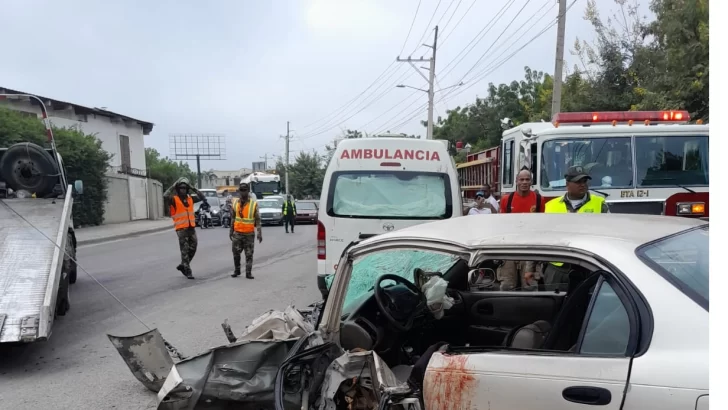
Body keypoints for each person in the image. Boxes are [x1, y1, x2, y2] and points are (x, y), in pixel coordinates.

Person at [541, 165, 609, 291]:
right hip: (557, 267)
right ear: (567, 184)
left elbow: (609, 234)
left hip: (588, 265)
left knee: (585, 306)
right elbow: (541, 236)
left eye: (584, 181)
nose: (582, 185)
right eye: (578, 182)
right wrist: (531, 268)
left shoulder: (599, 203)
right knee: (554, 305)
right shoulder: (551, 206)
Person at [497, 168, 543, 291]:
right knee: (507, 285)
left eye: (527, 179)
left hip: (530, 249)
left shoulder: (539, 200)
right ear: (516, 181)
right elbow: (500, 224)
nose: (524, 182)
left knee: (530, 286)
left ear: (531, 182)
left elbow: (542, 225)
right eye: (521, 179)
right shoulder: (507, 200)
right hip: (509, 248)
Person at [163, 177, 206, 279]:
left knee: (193, 248)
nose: (183, 189)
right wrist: (173, 186)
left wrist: (192, 187)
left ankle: (183, 265)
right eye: (181, 188)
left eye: (185, 188)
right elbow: (165, 196)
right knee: (185, 250)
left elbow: (202, 197)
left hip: (191, 228)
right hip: (181, 229)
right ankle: (188, 271)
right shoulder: (174, 199)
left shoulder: (190, 198)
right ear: (178, 189)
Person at [230, 182, 262, 279]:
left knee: (249, 254)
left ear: (248, 191)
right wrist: (231, 230)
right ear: (239, 191)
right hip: (237, 233)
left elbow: (258, 219)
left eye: (245, 190)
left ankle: (248, 272)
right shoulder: (235, 202)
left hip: (249, 234)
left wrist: (259, 233)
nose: (243, 192)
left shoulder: (253, 204)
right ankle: (237, 270)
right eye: (241, 190)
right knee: (236, 253)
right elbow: (233, 217)